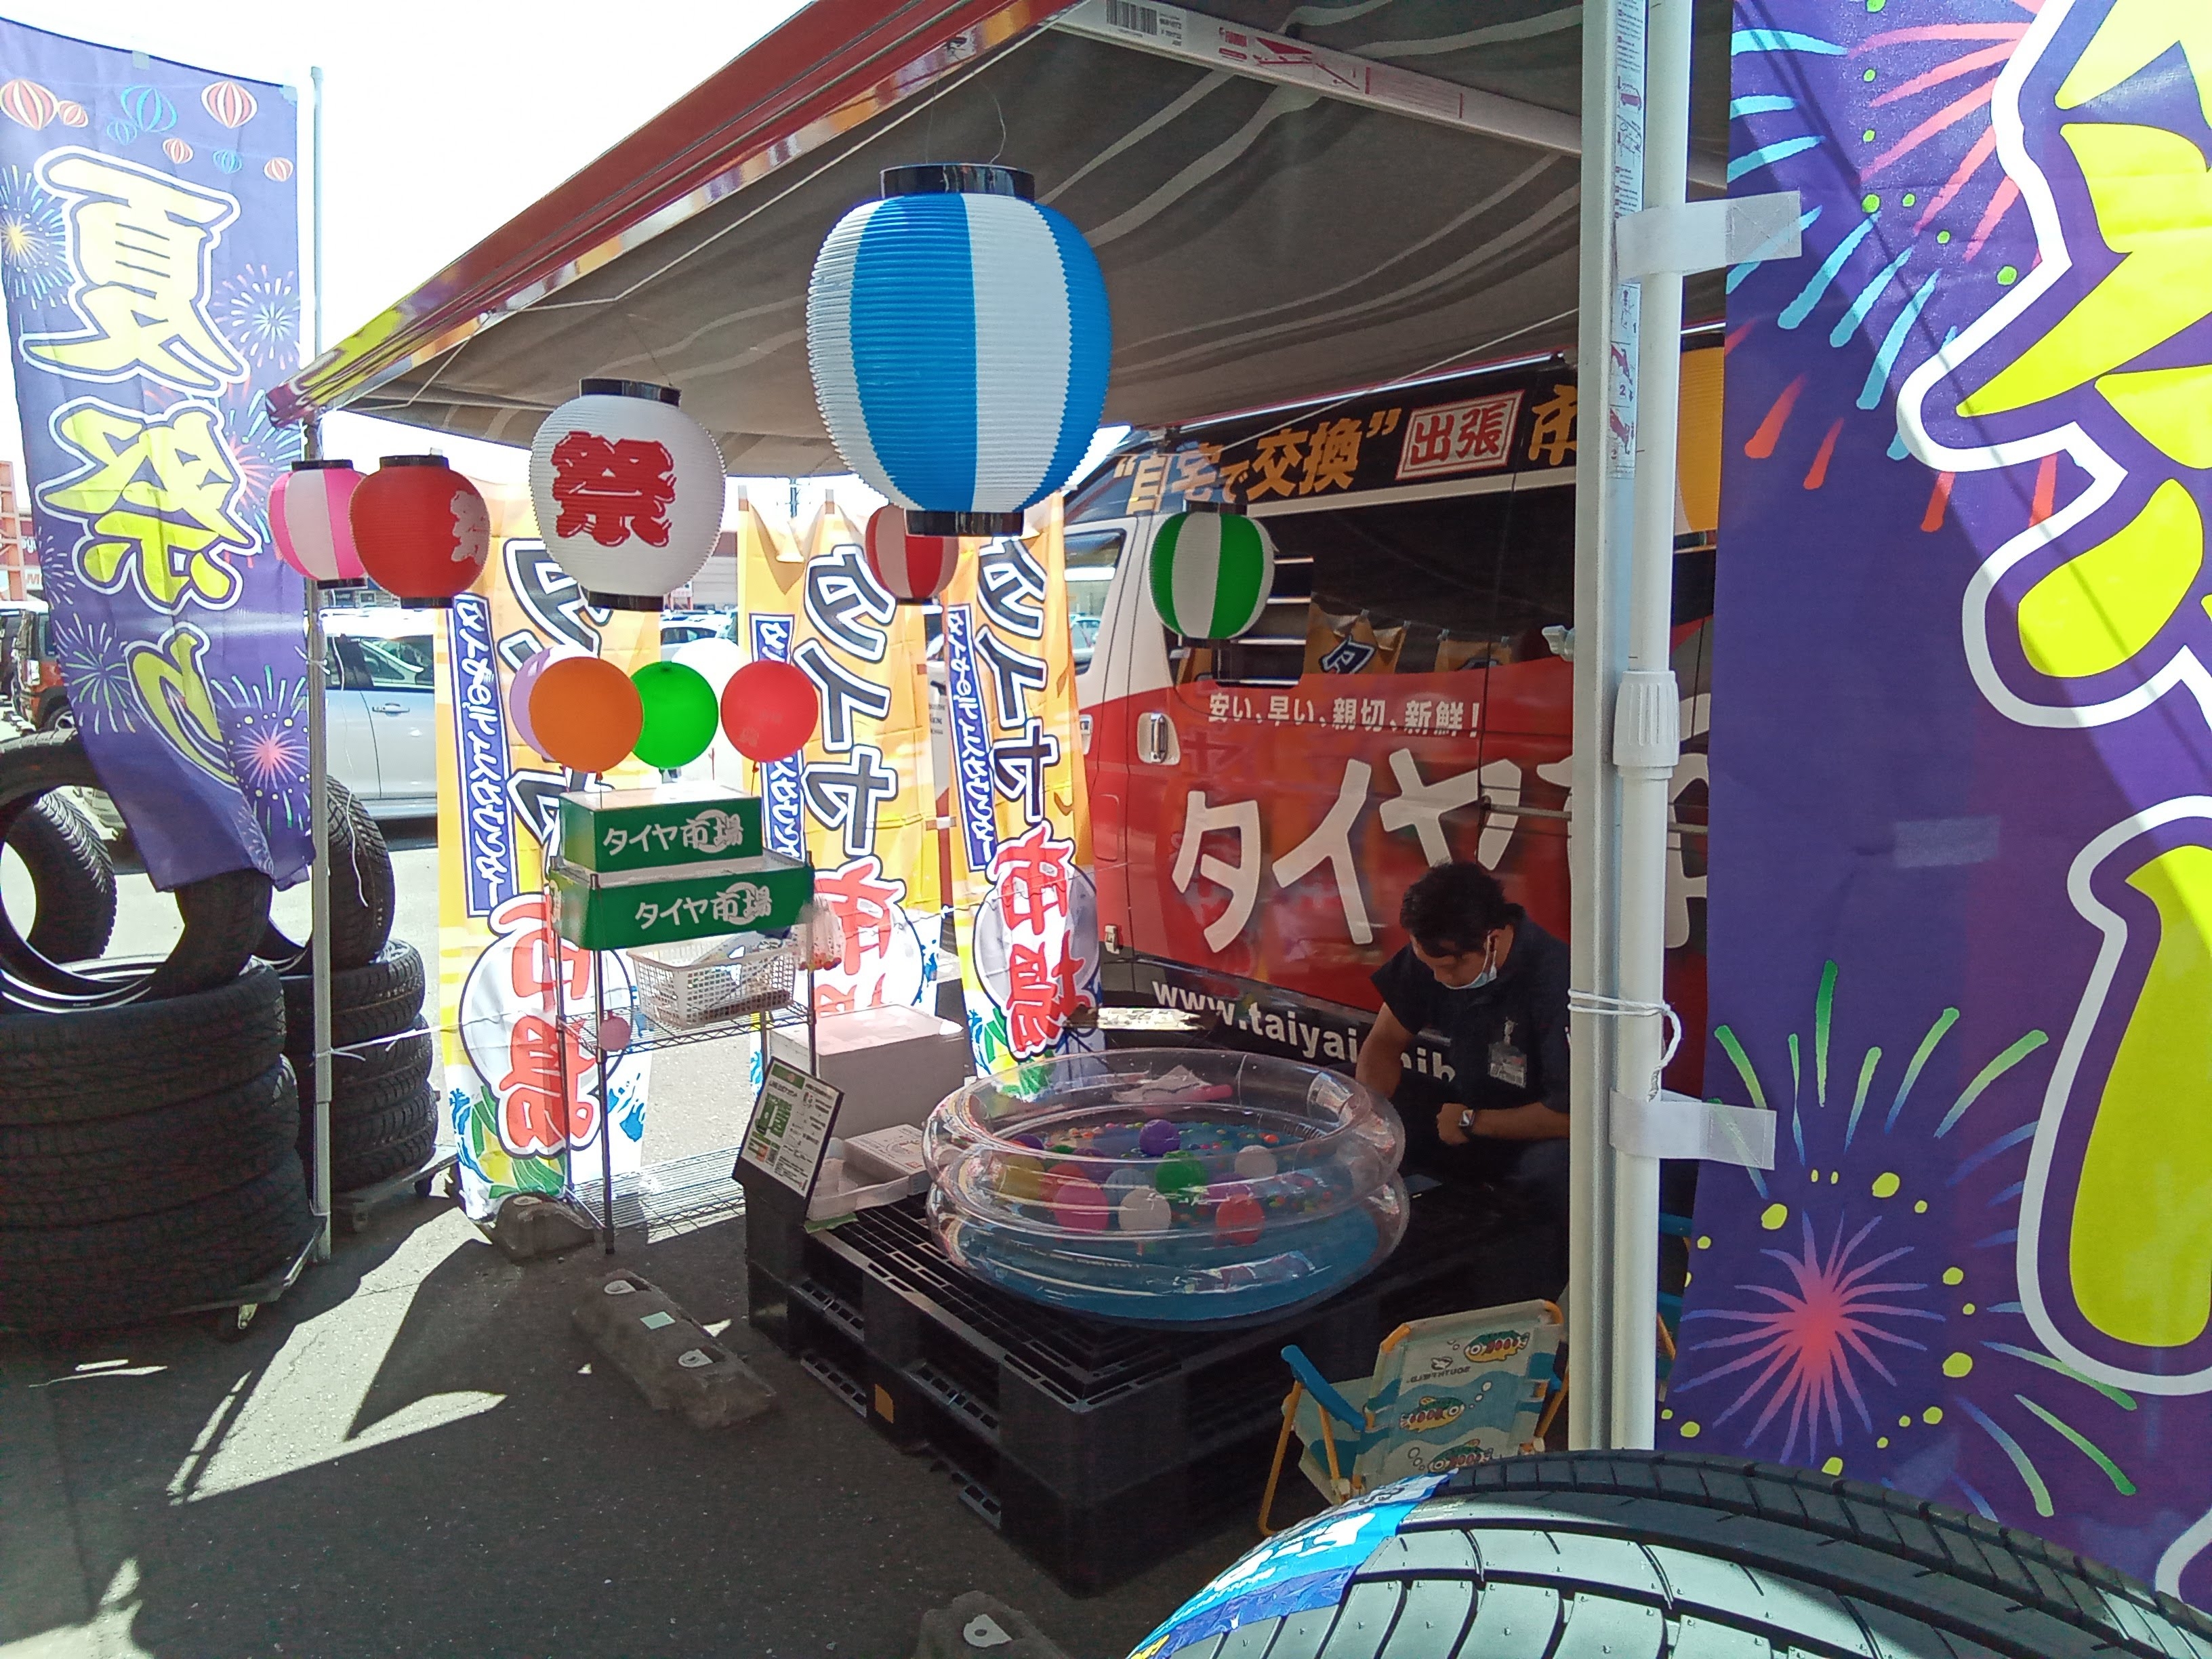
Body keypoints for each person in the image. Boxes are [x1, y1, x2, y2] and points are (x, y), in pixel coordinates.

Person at [1356, 861, 1570, 1217]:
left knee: (1557, 1171)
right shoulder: (1435, 949)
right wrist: (1369, 1119)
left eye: (1450, 968)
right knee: (1344, 1092)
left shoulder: (1557, 981)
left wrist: (1474, 1122)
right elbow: (1384, 1044)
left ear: (1492, 940)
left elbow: (1573, 1118)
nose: (1439, 978)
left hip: (1533, 1133)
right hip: (1461, 1112)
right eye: (1429, 966)